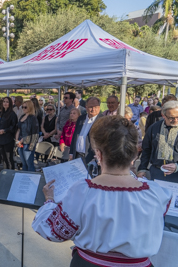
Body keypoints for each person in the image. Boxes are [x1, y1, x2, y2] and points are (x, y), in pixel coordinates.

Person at [33, 115, 172, 267]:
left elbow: (54, 231)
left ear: (98, 154)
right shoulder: (156, 192)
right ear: (134, 154)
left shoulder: (83, 191)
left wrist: (49, 201)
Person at [138, 100, 178, 183]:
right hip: (157, 173)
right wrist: (142, 169)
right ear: (163, 115)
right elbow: (146, 149)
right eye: (171, 118)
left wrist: (177, 166)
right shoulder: (154, 128)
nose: (175, 120)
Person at [69, 97, 103, 164]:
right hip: (77, 155)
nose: (93, 109)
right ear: (86, 107)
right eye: (91, 107)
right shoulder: (81, 118)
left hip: (91, 158)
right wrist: (71, 153)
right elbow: (75, 135)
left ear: (99, 107)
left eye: (95, 107)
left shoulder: (103, 121)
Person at [15, 100, 39, 172]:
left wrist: (31, 144)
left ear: (30, 107)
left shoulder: (33, 118)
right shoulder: (22, 116)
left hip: (28, 143)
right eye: (23, 107)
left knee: (29, 163)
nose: (23, 108)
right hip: (20, 142)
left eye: (25, 107)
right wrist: (17, 140)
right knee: (23, 163)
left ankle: (31, 178)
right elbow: (18, 129)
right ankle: (24, 177)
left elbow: (35, 133)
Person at [0, 97, 17, 170]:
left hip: (8, 139)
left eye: (7, 102)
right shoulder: (1, 113)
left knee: (9, 157)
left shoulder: (12, 114)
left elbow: (13, 127)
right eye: (4, 101)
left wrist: (4, 130)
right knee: (3, 158)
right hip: (1, 138)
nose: (5, 103)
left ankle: (11, 173)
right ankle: (5, 171)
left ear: (10, 103)